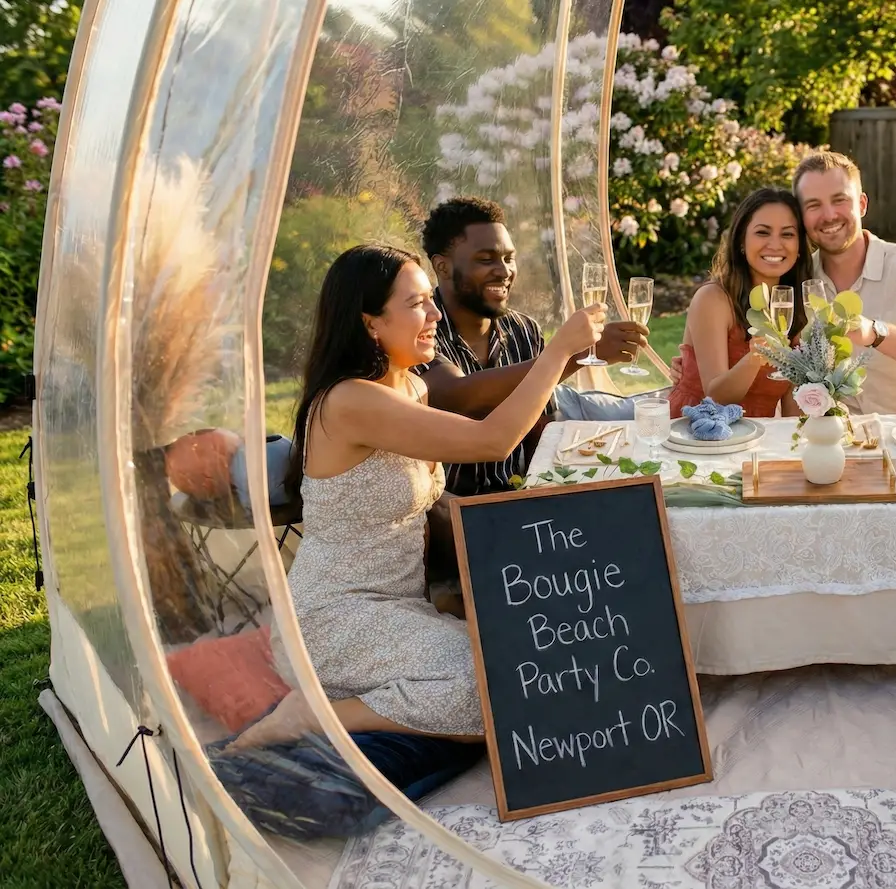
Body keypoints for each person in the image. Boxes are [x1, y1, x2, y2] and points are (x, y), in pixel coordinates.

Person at [211, 244, 604, 838]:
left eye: (431, 301)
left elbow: (430, 502)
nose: (436, 316)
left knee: (525, 663)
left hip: (397, 610)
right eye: (418, 304)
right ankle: (310, 715)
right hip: (335, 617)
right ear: (370, 322)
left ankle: (366, 708)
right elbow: (494, 439)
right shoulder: (350, 401)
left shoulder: (410, 388)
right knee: (493, 688)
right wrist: (558, 350)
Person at [415, 196, 649, 497]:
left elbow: (540, 427)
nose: (503, 271)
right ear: (442, 267)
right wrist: (572, 355)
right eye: (486, 260)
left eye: (508, 258)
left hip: (519, 499)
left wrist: (548, 490)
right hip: (449, 512)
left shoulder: (524, 330)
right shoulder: (421, 329)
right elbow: (456, 397)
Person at [793, 151, 896, 414]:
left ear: (862, 204)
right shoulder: (798, 279)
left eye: (839, 200)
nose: (829, 214)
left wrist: (872, 332)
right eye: (814, 205)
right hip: (830, 443)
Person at [670, 187, 811, 417]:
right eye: (763, 232)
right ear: (741, 242)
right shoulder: (713, 299)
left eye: (787, 234)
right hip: (694, 435)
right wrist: (755, 357)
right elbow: (715, 398)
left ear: (799, 249)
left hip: (756, 443)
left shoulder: (798, 309)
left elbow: (792, 414)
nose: (775, 244)